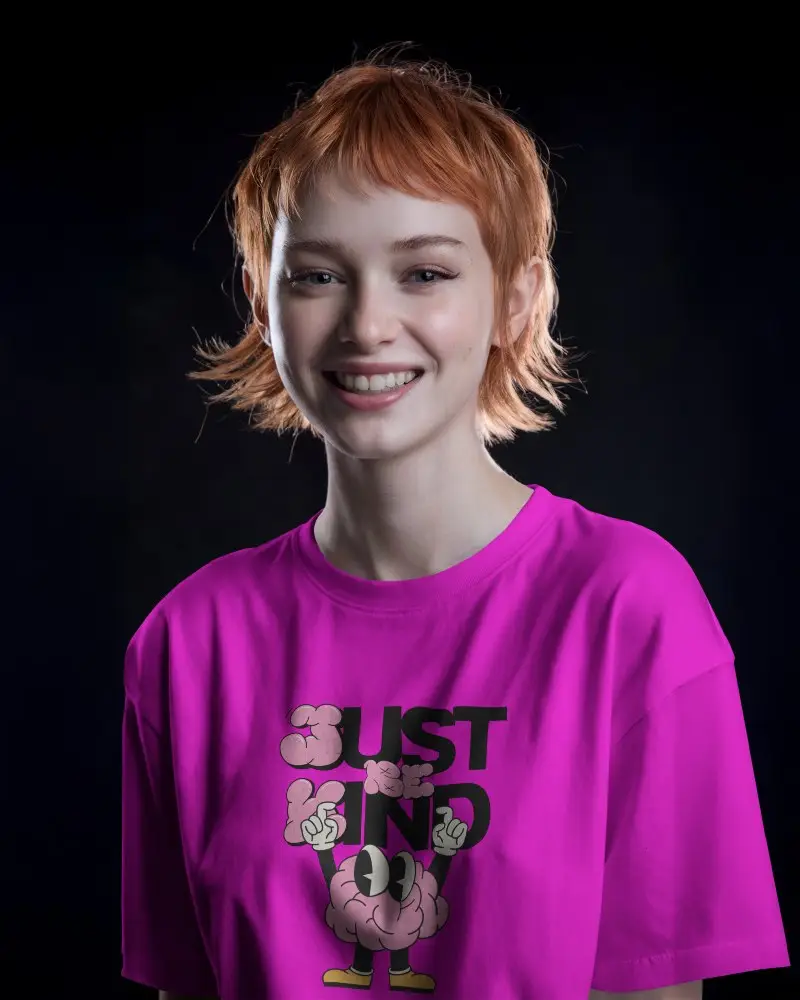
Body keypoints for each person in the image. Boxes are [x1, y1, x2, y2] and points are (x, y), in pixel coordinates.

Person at [121, 49, 790, 1000]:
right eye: (316, 276)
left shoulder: (629, 608)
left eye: (425, 271)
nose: (367, 325)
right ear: (261, 302)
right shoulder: (187, 643)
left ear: (514, 297)